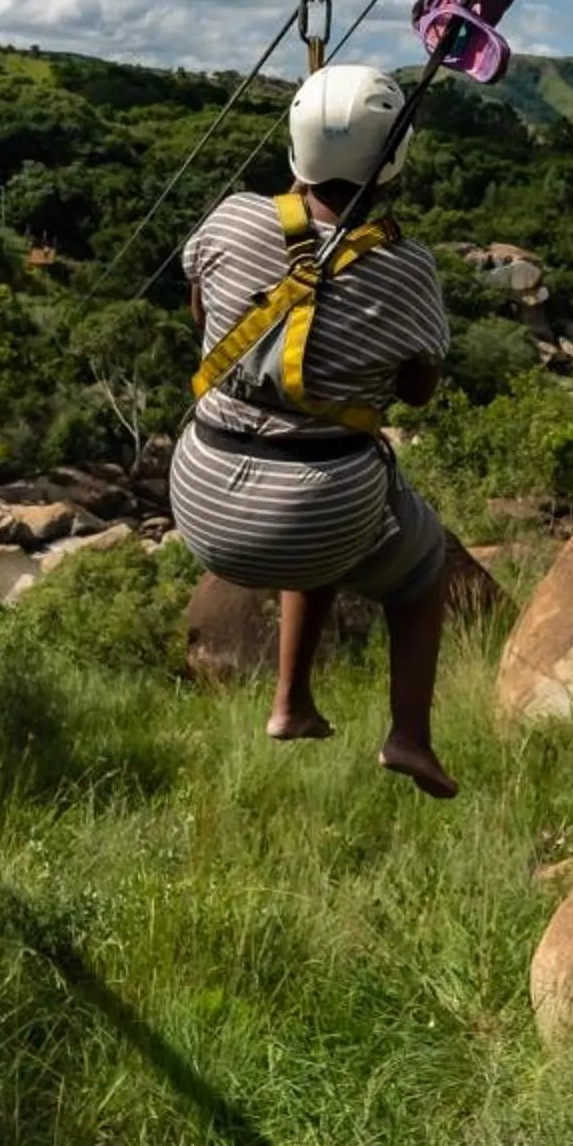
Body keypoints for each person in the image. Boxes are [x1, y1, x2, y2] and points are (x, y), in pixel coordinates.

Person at [168, 64, 461, 798]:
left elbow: (203, 315)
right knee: (420, 569)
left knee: (331, 507)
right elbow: (419, 390)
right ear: (393, 164)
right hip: (317, 504)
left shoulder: (234, 217)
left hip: (200, 494)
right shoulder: (407, 266)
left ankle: (291, 703)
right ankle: (410, 737)